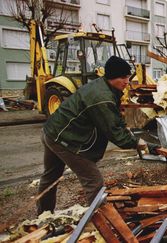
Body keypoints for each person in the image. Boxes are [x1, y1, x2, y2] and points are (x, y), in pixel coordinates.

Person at [37, 56, 153, 214]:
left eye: (127, 77)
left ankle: (43, 215)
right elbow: (115, 133)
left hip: (52, 132)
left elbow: (114, 119)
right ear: (112, 77)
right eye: (123, 77)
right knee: (93, 181)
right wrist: (136, 142)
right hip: (64, 139)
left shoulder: (103, 87)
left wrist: (124, 128)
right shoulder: (101, 97)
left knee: (50, 178)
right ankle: (101, 221)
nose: (127, 81)